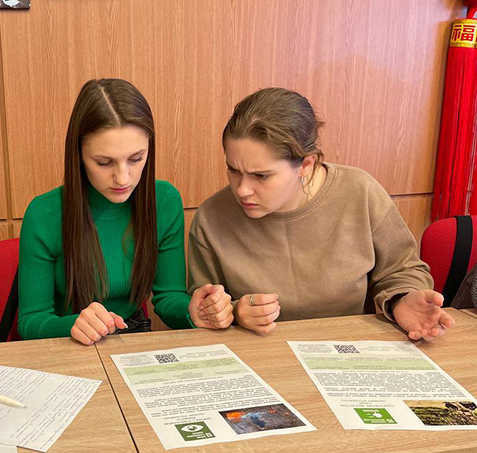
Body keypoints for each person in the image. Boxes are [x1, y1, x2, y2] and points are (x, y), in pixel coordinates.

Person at [188, 87, 454, 341]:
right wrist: (233, 312)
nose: (242, 190)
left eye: (261, 175)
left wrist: (401, 299)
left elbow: (403, 270)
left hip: (348, 351)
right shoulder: (212, 216)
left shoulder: (360, 192)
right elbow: (204, 305)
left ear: (306, 164)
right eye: (233, 170)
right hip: (259, 356)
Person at [18, 78, 232, 345]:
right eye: (103, 162)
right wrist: (73, 324)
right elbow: (30, 321)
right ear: (78, 155)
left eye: (136, 159)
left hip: (134, 335)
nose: (122, 178)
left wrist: (192, 310)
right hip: (68, 344)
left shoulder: (164, 201)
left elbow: (168, 296)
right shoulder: (44, 214)